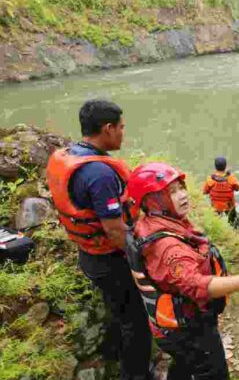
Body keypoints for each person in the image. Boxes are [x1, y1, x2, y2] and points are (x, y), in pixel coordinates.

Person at [126, 162, 239, 379]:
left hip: (171, 327)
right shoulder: (169, 249)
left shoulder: (153, 223)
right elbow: (197, 285)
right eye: (171, 192)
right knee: (212, 371)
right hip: (189, 332)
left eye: (181, 187)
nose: (182, 195)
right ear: (151, 201)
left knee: (185, 365)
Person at [45, 100, 152, 380]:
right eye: (121, 128)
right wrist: (139, 262)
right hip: (110, 260)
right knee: (136, 321)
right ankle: (137, 375)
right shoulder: (99, 174)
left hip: (89, 255)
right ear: (107, 128)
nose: (123, 133)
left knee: (118, 311)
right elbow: (115, 231)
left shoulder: (70, 154)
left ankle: (116, 359)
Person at [203, 157, 239, 230]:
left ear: (215, 167)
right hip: (229, 207)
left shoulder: (210, 179)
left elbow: (204, 191)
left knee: (216, 222)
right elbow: (237, 188)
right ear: (225, 166)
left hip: (215, 208)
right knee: (234, 226)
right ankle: (235, 230)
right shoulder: (231, 178)